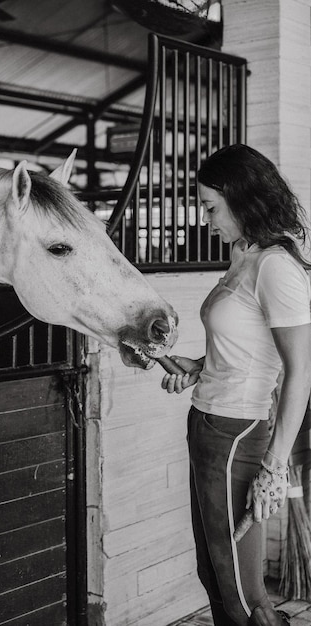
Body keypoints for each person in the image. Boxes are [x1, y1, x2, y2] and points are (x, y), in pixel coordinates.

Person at [161, 144, 311, 626]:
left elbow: (299, 371)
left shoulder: (275, 267)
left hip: (238, 433)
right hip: (207, 423)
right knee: (213, 572)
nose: (205, 219)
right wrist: (200, 365)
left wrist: (273, 466)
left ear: (242, 198)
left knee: (244, 594)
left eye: (210, 206)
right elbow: (244, 346)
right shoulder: (242, 254)